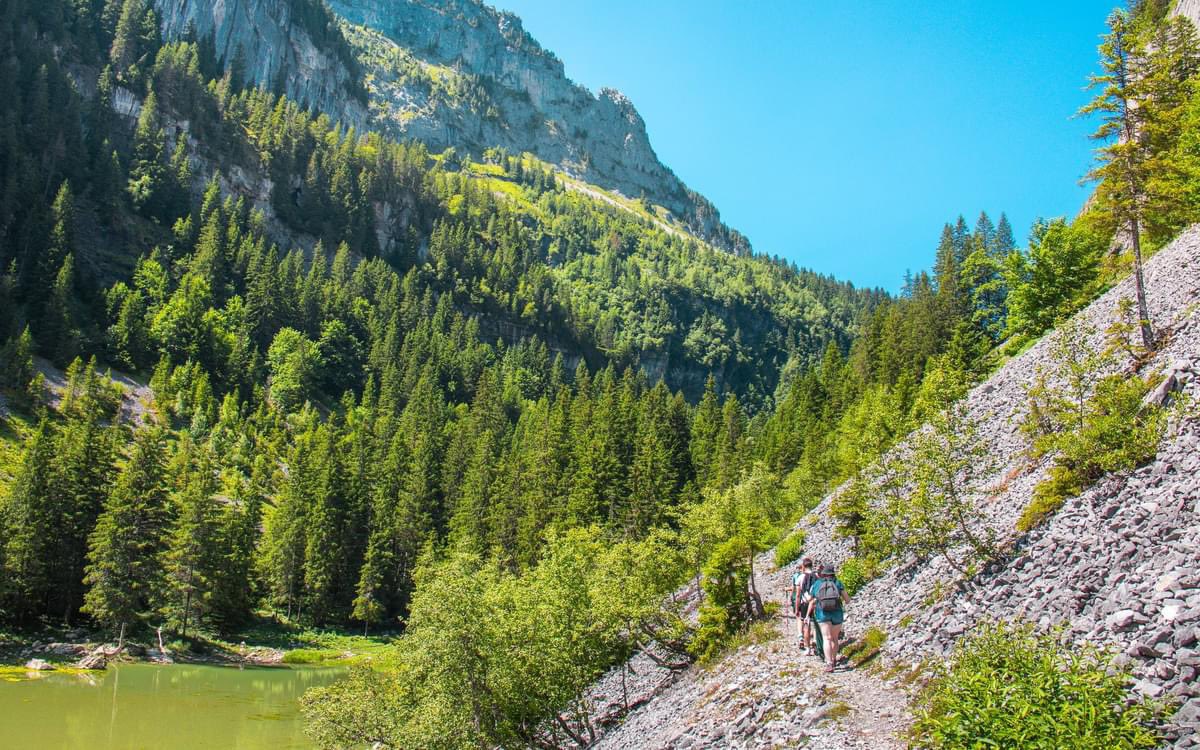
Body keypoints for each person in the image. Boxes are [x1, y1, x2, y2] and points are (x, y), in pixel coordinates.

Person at [809, 563, 850, 672]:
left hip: (822, 614)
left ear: (823, 574)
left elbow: (811, 598)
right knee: (834, 638)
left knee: (826, 638)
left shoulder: (818, 583)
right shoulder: (838, 583)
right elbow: (847, 599)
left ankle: (829, 663)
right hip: (837, 613)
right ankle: (834, 659)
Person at [791, 558, 816, 655]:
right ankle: (815, 642)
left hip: (805, 604)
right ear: (811, 566)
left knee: (806, 625)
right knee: (816, 624)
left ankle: (808, 648)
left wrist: (797, 609)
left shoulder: (800, 578)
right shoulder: (817, 576)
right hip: (815, 602)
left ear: (803, 566)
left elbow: (797, 595)